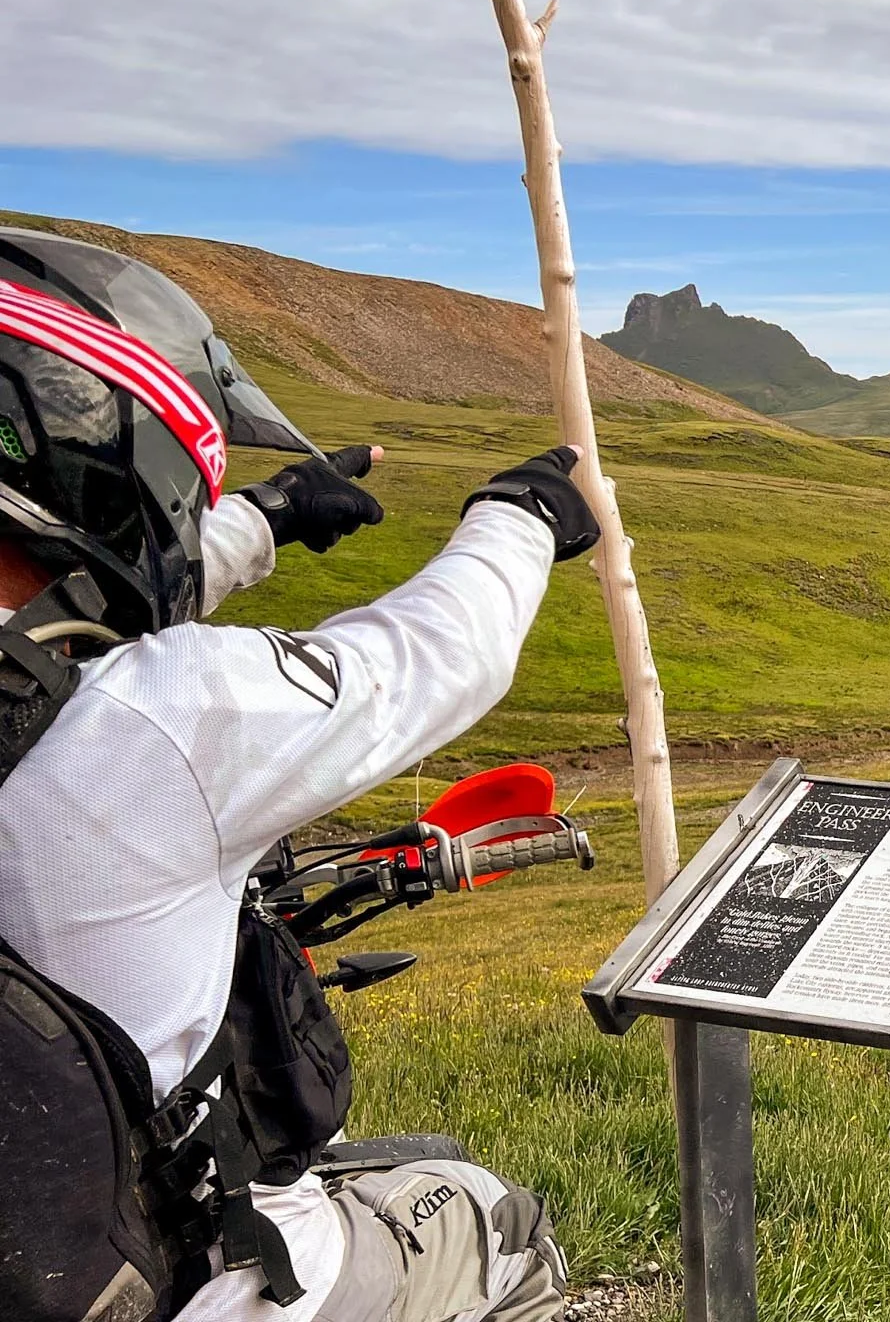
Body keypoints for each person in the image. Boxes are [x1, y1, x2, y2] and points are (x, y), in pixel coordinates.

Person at [0, 227, 593, 1322]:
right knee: (484, 1214)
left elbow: (45, 631)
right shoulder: (155, 723)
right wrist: (519, 520)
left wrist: (262, 522)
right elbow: (431, 660)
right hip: (194, 1287)